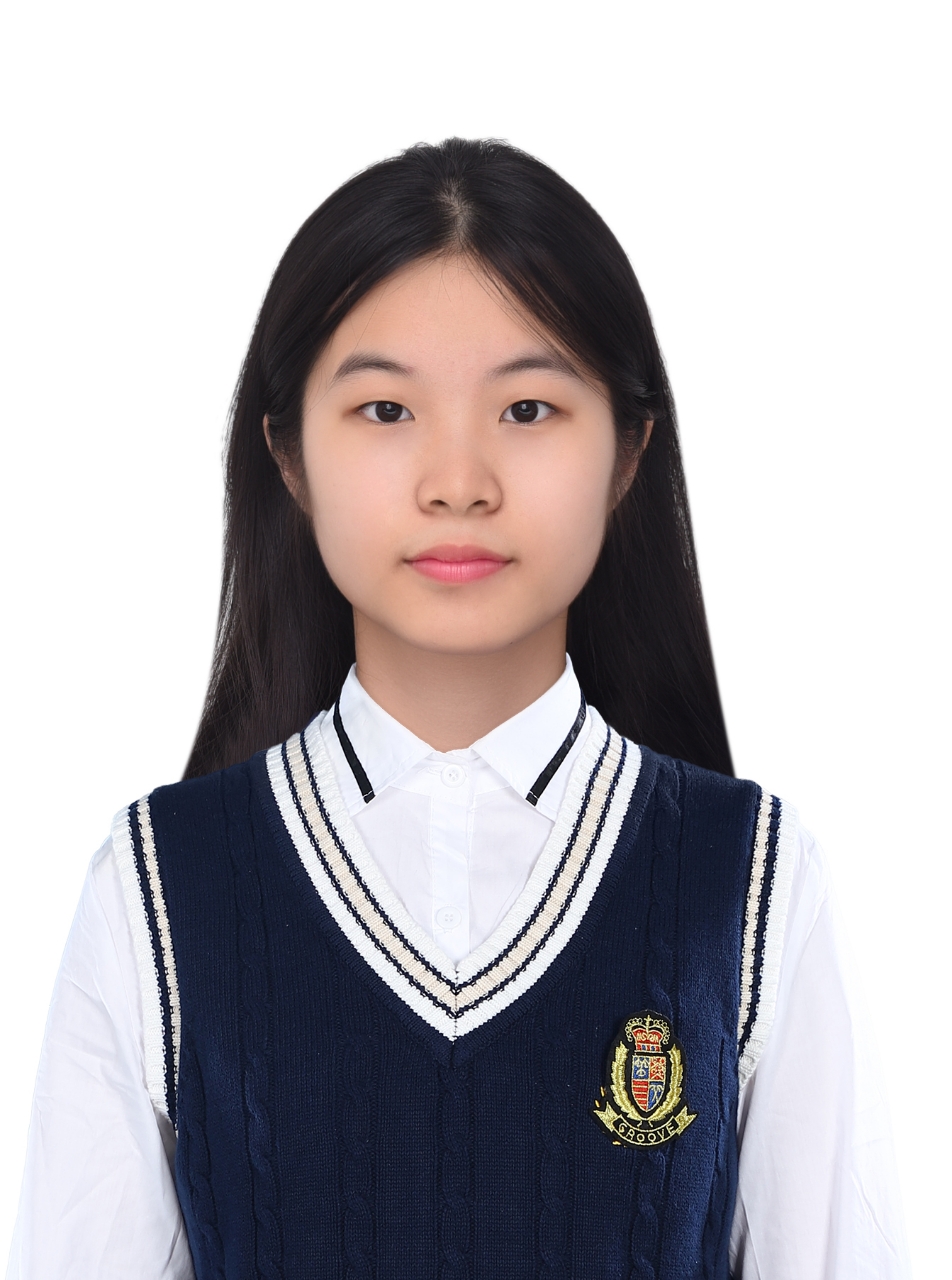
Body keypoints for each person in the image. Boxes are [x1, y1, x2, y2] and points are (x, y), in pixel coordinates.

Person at [6, 138, 909, 1280]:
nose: (458, 482)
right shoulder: (154, 896)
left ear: (629, 449)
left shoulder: (753, 887)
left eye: (527, 408)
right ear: (288, 453)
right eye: (386, 409)